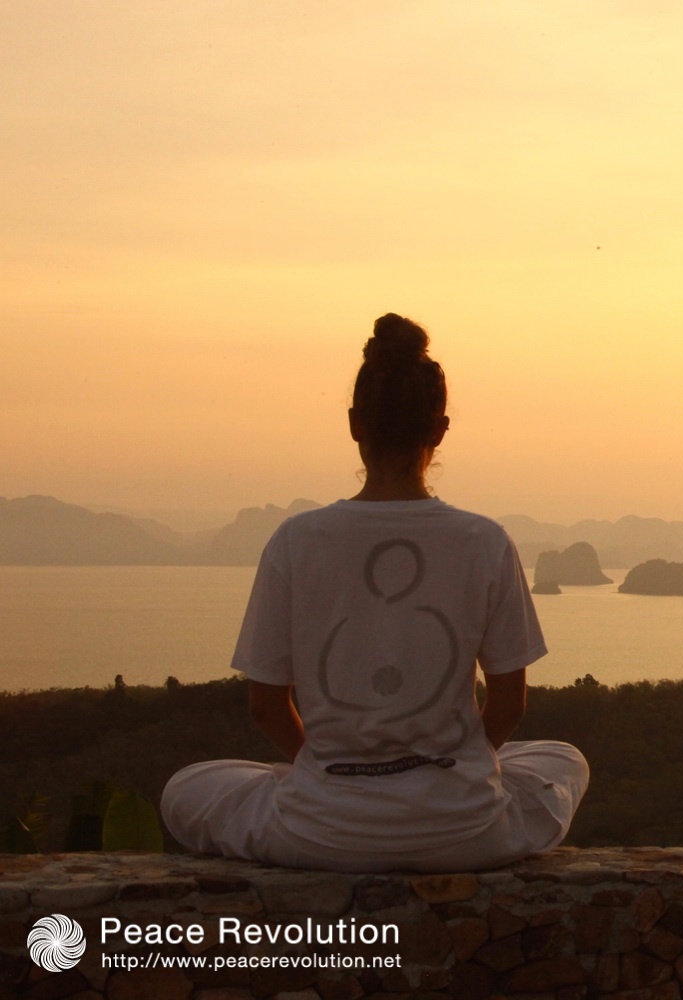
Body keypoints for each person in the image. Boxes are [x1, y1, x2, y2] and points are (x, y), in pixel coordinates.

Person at [161, 314, 588, 872]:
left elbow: (266, 706)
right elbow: (509, 704)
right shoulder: (485, 541)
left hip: (323, 831)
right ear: (439, 430)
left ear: (355, 424)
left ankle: (320, 785)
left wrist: (329, 772)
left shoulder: (296, 540)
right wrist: (455, 770)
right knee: (562, 761)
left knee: (188, 787)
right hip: (463, 830)